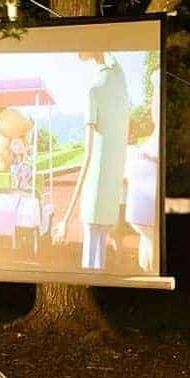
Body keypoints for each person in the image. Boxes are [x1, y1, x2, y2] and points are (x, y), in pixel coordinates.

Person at [53, 52, 130, 270]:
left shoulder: (93, 90)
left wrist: (65, 220)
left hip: (95, 192)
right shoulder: (120, 81)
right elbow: (114, 59)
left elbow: (88, 156)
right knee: (100, 259)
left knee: (90, 263)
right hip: (111, 193)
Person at [124, 74, 160, 272]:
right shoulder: (143, 147)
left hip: (143, 189)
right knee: (149, 240)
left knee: (148, 241)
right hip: (144, 190)